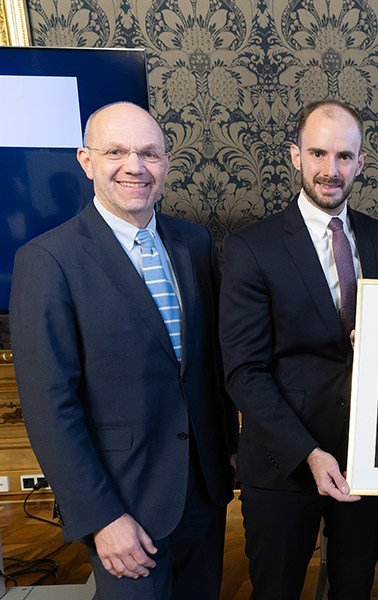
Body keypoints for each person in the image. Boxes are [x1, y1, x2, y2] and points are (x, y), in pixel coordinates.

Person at [9, 102, 238, 600]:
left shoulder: (195, 243)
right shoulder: (47, 261)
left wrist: (231, 452)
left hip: (204, 489)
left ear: (166, 164)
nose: (135, 166)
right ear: (86, 160)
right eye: (116, 151)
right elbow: (51, 408)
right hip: (123, 504)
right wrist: (100, 517)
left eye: (149, 153)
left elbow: (208, 363)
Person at [219, 99, 378, 600]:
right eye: (318, 153)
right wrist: (309, 454)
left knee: (354, 588)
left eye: (345, 156)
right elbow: (244, 372)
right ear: (295, 156)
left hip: (366, 462)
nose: (330, 169)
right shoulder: (252, 247)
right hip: (283, 464)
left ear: (361, 163)